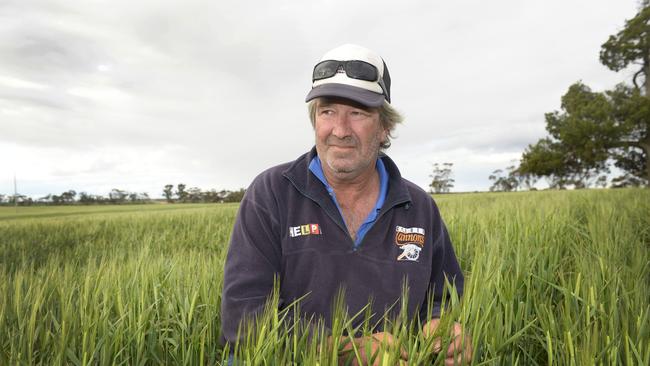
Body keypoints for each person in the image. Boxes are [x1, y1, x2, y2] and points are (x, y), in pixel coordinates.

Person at [220, 44, 472, 365]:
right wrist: (347, 351)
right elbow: (243, 318)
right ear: (315, 121)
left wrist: (443, 329)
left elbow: (443, 300)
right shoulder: (270, 193)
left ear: (384, 128)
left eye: (357, 113)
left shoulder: (419, 207)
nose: (340, 130)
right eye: (327, 111)